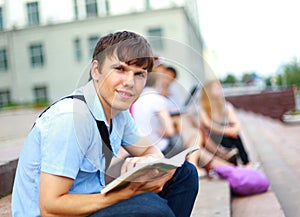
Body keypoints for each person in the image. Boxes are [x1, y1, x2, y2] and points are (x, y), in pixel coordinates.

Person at [11, 31, 199, 217]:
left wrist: (148, 162)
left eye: (139, 74)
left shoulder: (118, 113)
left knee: (184, 174)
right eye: (120, 69)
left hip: (89, 205)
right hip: (58, 213)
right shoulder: (71, 118)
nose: (130, 82)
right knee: (152, 208)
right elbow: (51, 207)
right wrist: (122, 195)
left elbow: (149, 151)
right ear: (96, 70)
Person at [132, 70, 233, 177]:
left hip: (145, 146)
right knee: (195, 134)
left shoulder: (140, 99)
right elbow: (169, 131)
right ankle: (202, 163)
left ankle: (227, 166)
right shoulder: (158, 100)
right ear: (159, 83)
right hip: (159, 150)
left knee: (196, 143)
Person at [199, 79, 251, 166]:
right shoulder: (202, 109)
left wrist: (233, 130)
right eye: (216, 87)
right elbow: (208, 125)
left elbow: (236, 123)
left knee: (235, 135)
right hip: (213, 137)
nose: (220, 89)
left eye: (220, 87)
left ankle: (244, 162)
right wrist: (226, 131)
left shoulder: (226, 106)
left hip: (227, 135)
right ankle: (242, 162)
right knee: (227, 133)